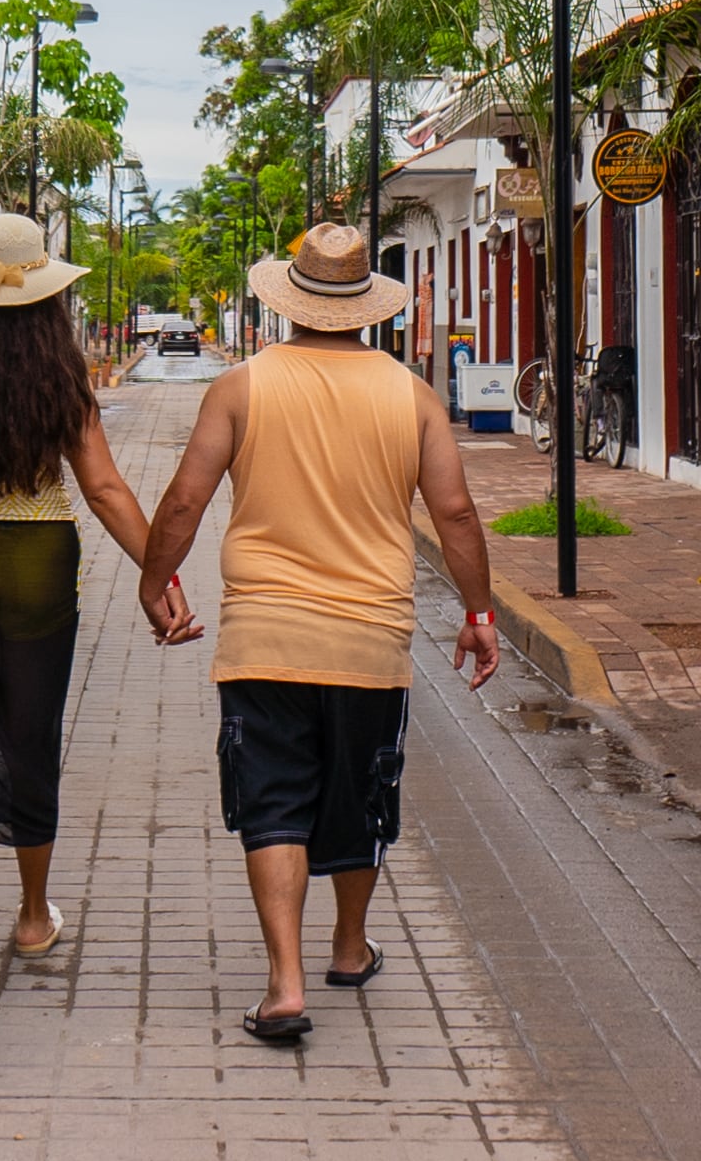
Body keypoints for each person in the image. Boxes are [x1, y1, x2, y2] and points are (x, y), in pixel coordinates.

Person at [137, 222, 499, 1046]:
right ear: (366, 308)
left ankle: (284, 984)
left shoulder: (240, 387)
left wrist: (155, 581)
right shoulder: (411, 395)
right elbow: (452, 512)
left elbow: (186, 501)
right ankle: (346, 948)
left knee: (272, 801)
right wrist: (479, 618)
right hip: (370, 637)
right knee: (360, 794)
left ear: (287, 303)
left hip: (262, 635)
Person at [0, 208, 196, 1024]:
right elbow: (103, 489)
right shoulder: (60, 378)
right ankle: (29, 917)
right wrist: (157, 576)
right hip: (41, 566)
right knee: (29, 738)